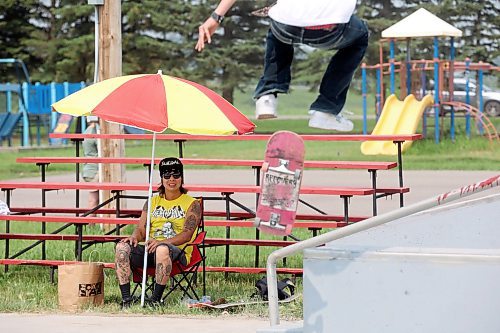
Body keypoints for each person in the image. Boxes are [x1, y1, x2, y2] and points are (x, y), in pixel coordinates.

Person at [195, 0, 368, 132]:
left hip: (286, 25)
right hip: (329, 28)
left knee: (278, 26)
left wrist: (216, 17)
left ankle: (267, 96)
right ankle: (326, 109)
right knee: (361, 36)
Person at [114, 157, 201, 308]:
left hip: (178, 252)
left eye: (176, 174)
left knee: (161, 249)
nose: (171, 179)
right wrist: (134, 237)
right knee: (122, 247)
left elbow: (187, 234)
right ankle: (126, 300)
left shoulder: (192, 203)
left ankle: (155, 300)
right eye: (166, 175)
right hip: (149, 250)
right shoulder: (152, 201)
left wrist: (163, 242)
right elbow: (141, 230)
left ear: (182, 177)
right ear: (161, 178)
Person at [82, 116, 99, 215]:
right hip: (94, 169)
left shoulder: (87, 131)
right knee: (94, 200)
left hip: (88, 168)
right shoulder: (94, 132)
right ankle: (90, 223)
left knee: (95, 199)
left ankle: (92, 223)